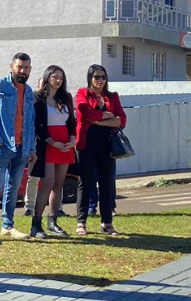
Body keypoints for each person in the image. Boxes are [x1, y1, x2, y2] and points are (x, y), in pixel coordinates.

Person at [0, 53, 35, 241]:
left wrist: (32, 148)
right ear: (11, 67)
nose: (23, 71)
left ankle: (8, 226)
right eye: (19, 67)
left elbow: (31, 121)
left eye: (26, 67)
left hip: (22, 147)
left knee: (13, 188)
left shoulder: (28, 91)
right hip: (2, 145)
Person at [75, 64, 126, 236]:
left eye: (103, 77)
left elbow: (122, 120)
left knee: (106, 183)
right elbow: (84, 111)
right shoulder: (83, 93)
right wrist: (107, 115)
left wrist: (99, 121)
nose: (100, 80)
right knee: (85, 182)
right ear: (90, 78)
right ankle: (81, 221)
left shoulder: (112, 96)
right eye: (96, 77)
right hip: (87, 144)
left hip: (107, 145)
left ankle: (107, 222)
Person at [30, 65, 77, 238]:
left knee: (59, 184)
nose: (58, 80)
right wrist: (52, 142)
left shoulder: (65, 97)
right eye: (55, 77)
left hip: (65, 145)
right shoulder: (38, 98)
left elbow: (71, 121)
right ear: (48, 77)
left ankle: (53, 221)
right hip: (48, 144)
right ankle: (36, 223)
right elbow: (37, 125)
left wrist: (72, 139)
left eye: (61, 78)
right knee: (47, 183)